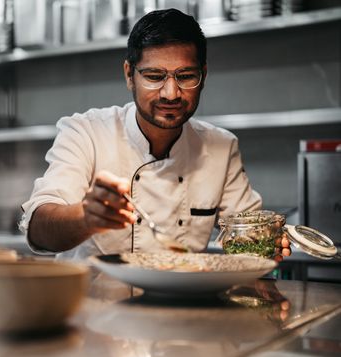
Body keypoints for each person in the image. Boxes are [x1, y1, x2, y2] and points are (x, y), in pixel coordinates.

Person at [20, 8, 291, 261]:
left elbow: (246, 233)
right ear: (129, 75)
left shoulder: (221, 147)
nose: (171, 93)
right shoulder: (86, 132)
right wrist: (85, 217)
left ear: (203, 75)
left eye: (185, 76)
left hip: (181, 306)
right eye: (154, 76)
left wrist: (263, 244)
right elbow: (39, 229)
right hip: (94, 306)